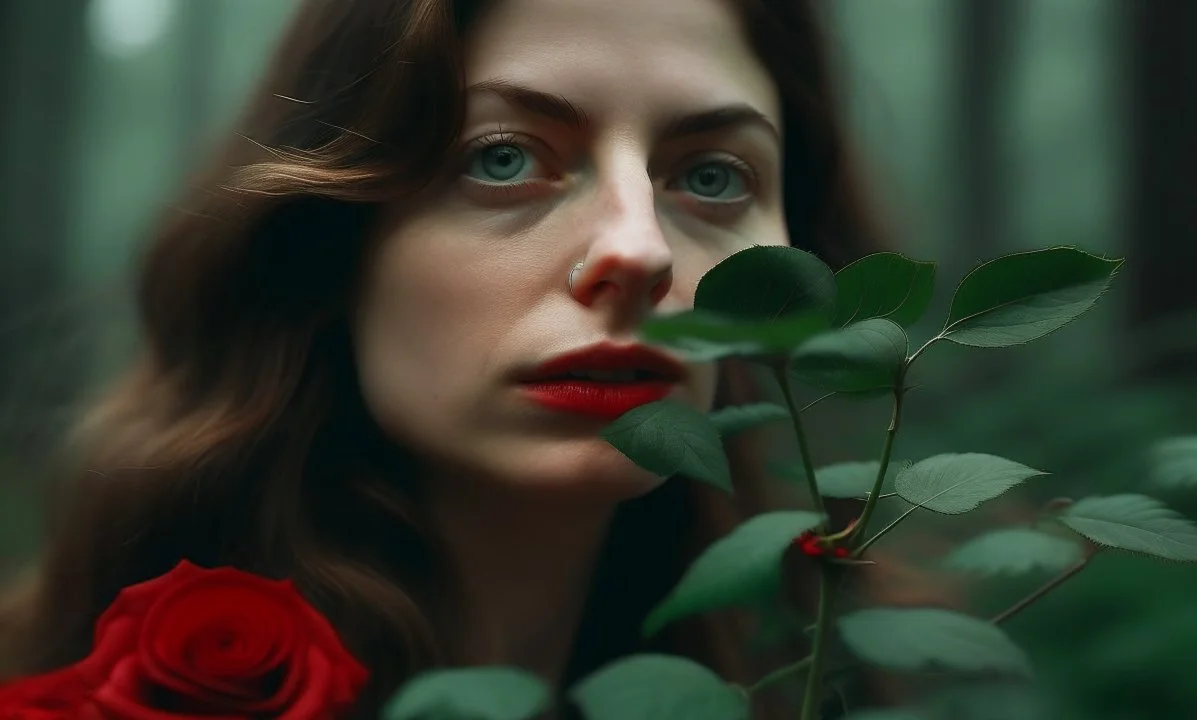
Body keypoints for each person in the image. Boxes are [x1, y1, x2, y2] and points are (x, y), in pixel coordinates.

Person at [0, 0, 907, 716]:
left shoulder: (831, 674)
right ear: (332, 243)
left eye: (712, 176)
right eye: (506, 157)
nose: (641, 251)